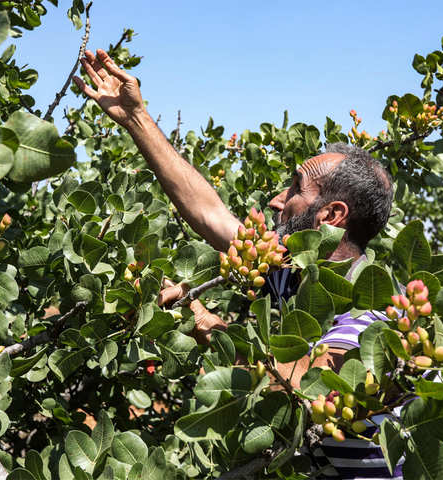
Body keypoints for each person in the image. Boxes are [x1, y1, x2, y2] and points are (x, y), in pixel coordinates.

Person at [74, 49, 401, 479]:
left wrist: (201, 316)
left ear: (331, 216)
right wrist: (136, 118)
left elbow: (306, 388)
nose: (276, 200)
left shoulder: (375, 315)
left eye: (295, 189)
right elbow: (210, 213)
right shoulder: (293, 272)